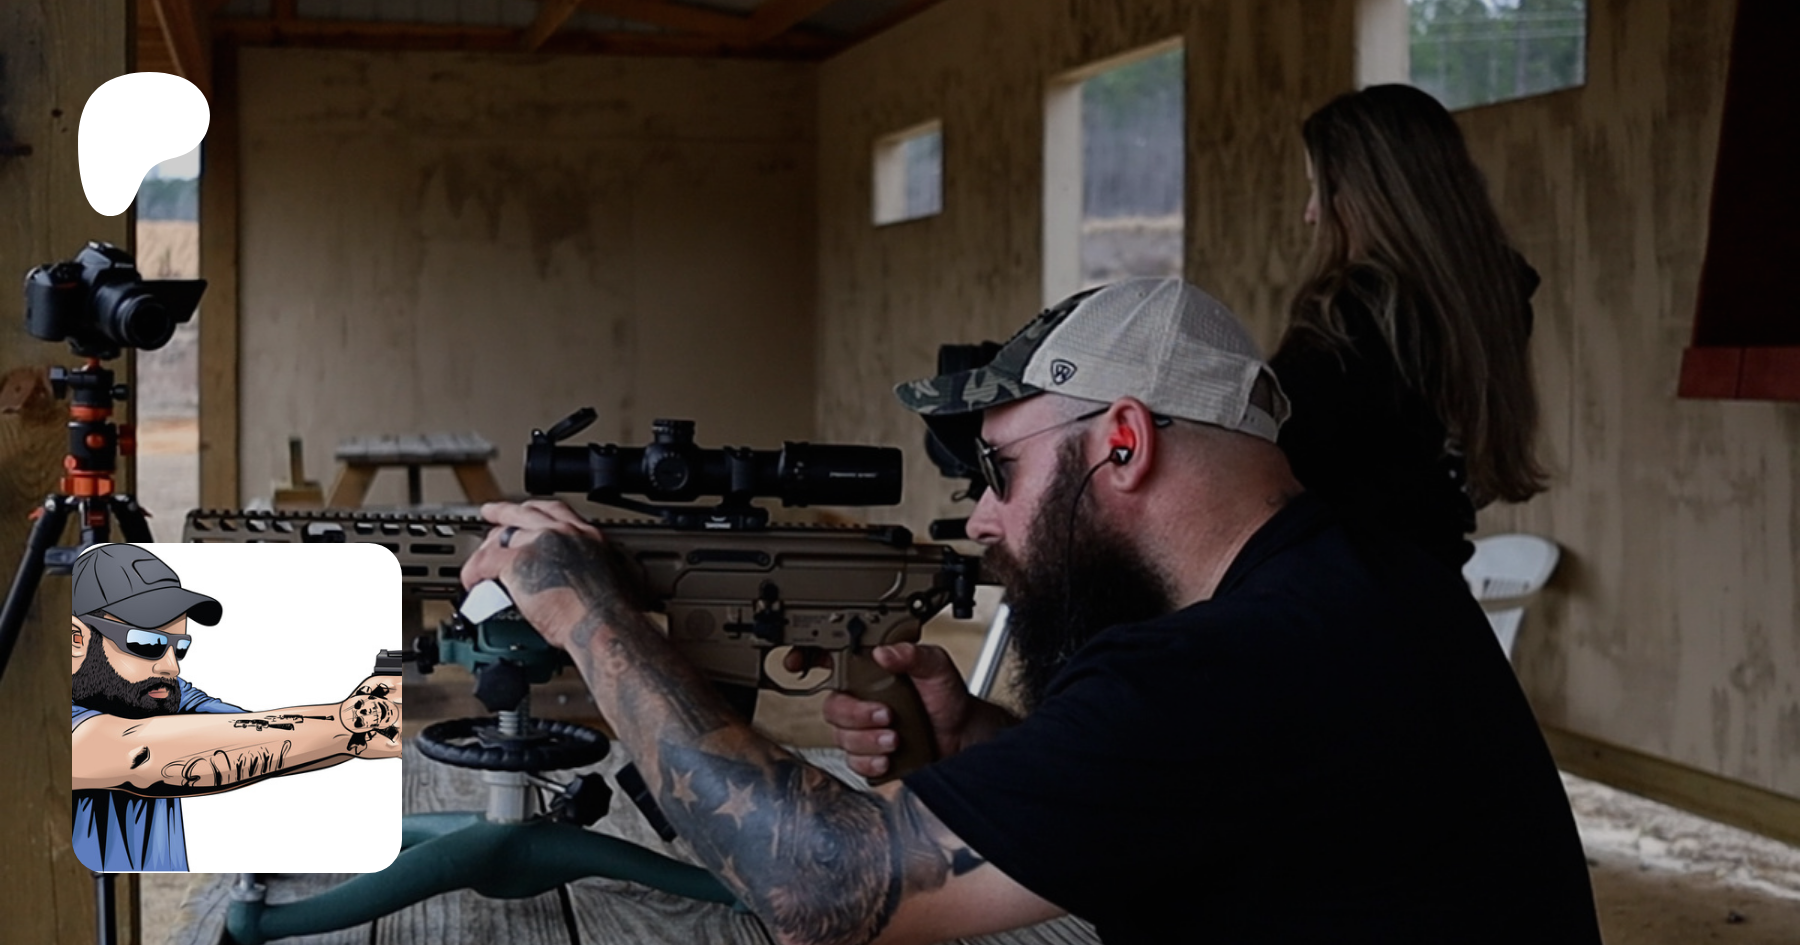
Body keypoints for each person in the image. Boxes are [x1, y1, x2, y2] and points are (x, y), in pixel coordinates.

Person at [464, 277, 1602, 944]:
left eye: (1001, 470)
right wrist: (992, 754)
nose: (981, 519)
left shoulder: (1221, 666)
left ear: (1124, 441)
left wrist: (591, 618)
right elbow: (1218, 802)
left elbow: (819, 890)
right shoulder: (1366, 580)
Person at [1273, 83, 1549, 569]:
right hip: (1435, 585)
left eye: (1322, 189)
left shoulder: (1351, 314)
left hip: (1347, 588)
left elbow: (1279, 451)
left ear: (1370, 194)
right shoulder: (1488, 302)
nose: (1310, 213)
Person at [70, 544, 402, 872]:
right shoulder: (51, 720)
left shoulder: (158, 691)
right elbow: (141, 755)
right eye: (147, 643)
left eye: (179, 647)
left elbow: (253, 735)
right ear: (77, 638)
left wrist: (360, 734)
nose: (172, 666)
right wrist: (347, 721)